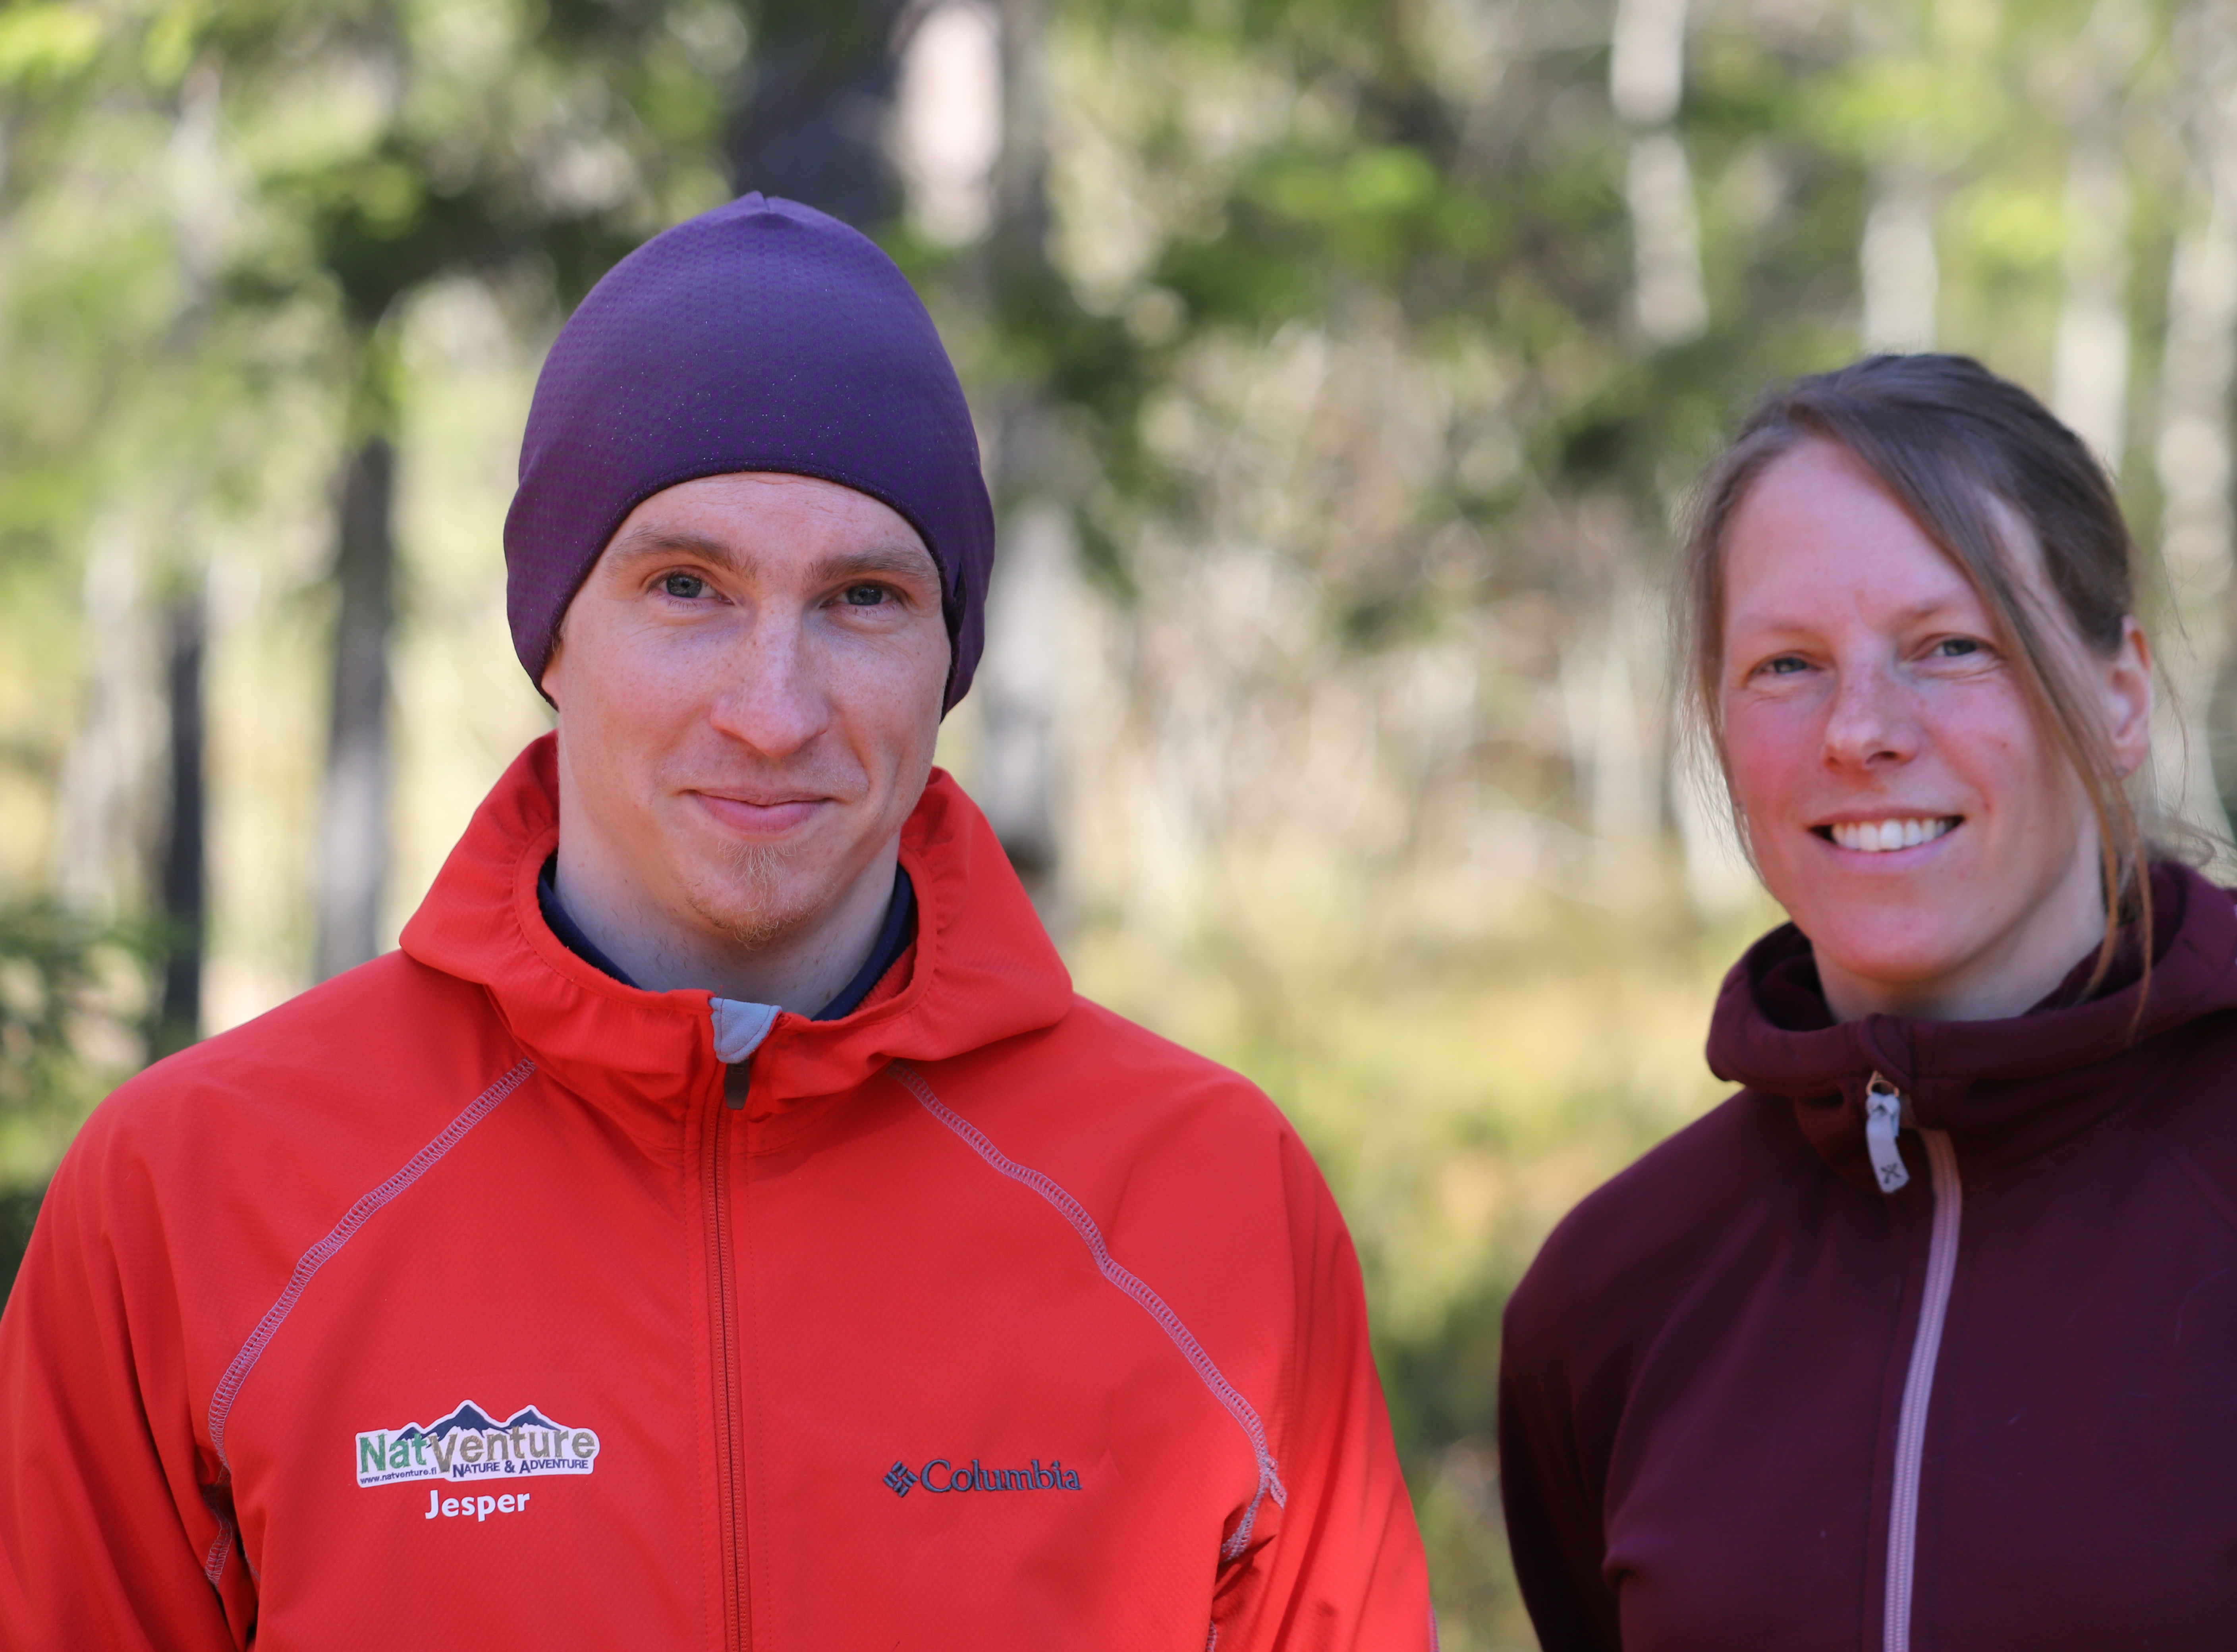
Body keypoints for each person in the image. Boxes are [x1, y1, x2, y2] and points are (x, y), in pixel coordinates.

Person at [0, 194, 1432, 1650]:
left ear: (951, 655)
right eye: (687, 587)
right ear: (552, 631)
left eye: (864, 598)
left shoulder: (1212, 1207)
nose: (773, 711)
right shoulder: (191, 1200)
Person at [1498, 352, 2237, 1651]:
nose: (1862, 731)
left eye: (1951, 647)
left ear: (2121, 693)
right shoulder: (1611, 1294)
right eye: (1787, 666)